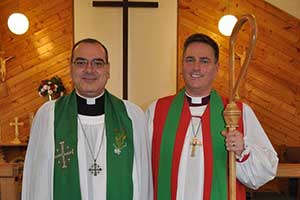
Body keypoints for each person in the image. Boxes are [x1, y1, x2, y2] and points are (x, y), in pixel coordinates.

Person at [146, 33, 278, 200]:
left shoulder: (237, 113)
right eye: (190, 60)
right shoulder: (157, 110)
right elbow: (142, 170)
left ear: (217, 68)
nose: (196, 67)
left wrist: (242, 150)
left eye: (204, 61)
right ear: (181, 66)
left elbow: (264, 174)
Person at [22, 38, 152, 200]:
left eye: (98, 63)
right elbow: (37, 182)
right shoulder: (49, 116)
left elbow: (144, 180)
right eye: (81, 62)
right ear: (71, 68)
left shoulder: (132, 117)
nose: (89, 69)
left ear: (108, 70)